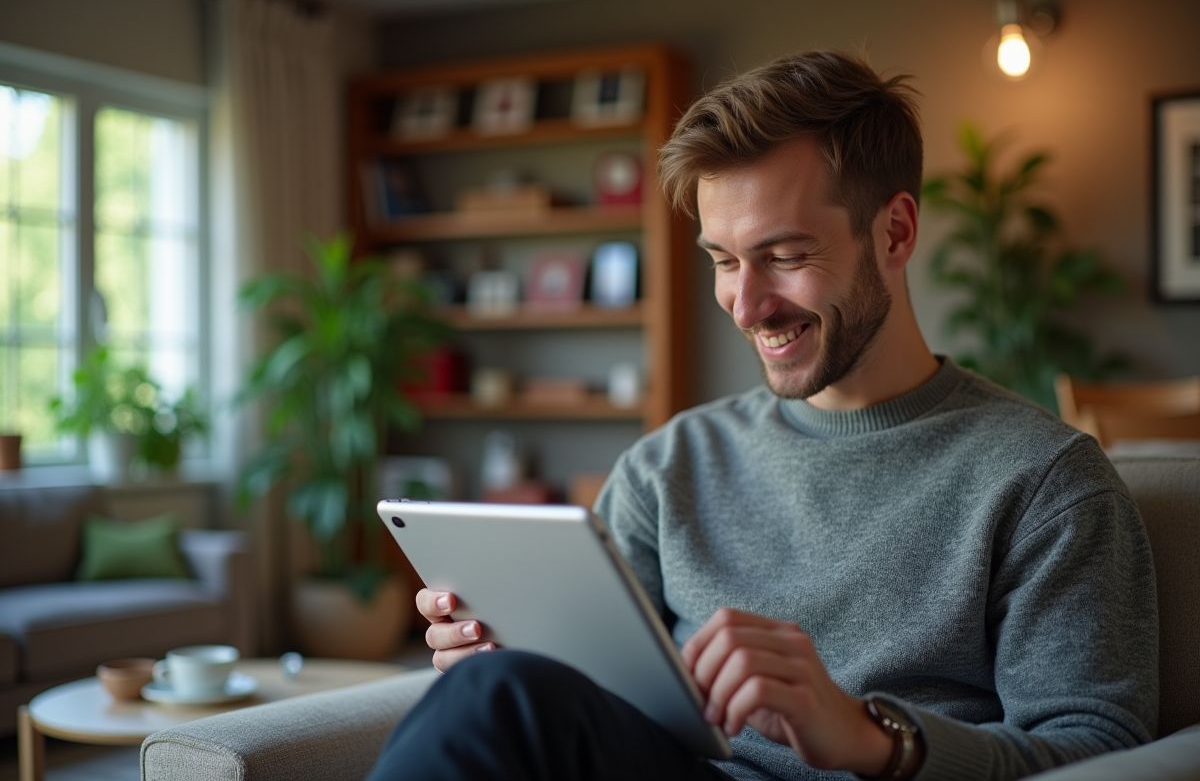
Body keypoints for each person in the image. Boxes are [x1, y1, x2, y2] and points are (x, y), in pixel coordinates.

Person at [366, 50, 1158, 781]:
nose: (746, 306)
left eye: (784, 256)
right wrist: (509, 649)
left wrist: (870, 737)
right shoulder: (669, 465)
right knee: (500, 689)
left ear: (895, 232)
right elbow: (594, 698)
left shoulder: (1044, 483)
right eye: (723, 260)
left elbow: (1099, 752)